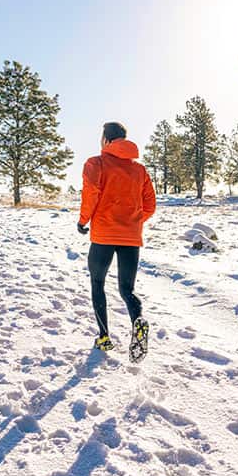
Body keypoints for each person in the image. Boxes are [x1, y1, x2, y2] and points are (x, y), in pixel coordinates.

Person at [77, 121, 156, 362]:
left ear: (107, 140)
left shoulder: (95, 163)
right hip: (131, 237)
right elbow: (150, 205)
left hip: (103, 235)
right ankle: (138, 321)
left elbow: (91, 193)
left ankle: (104, 337)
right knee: (127, 289)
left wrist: (83, 221)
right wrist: (132, 222)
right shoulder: (139, 170)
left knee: (98, 283)